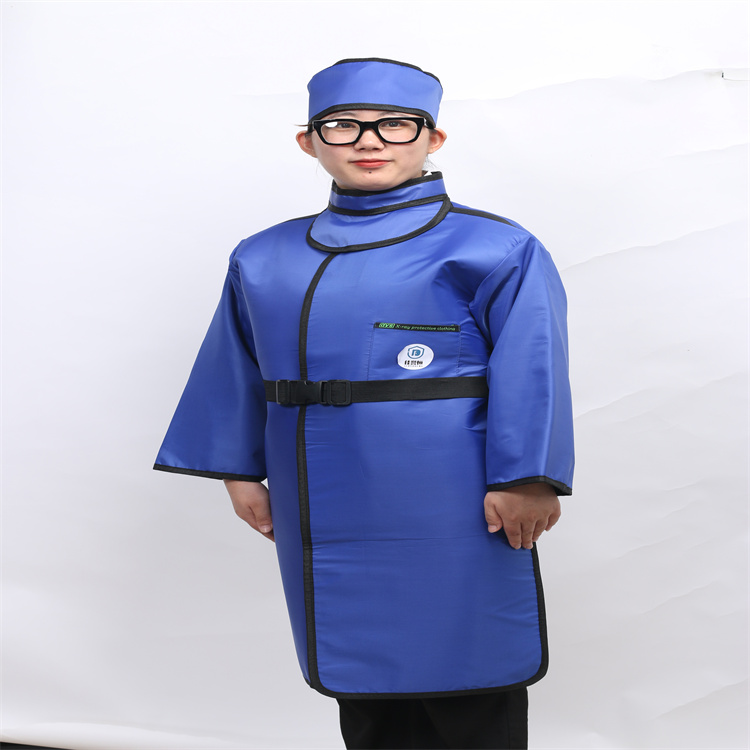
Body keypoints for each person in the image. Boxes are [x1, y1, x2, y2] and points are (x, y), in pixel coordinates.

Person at [155, 58, 574, 750]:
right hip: (323, 495)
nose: (369, 140)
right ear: (308, 142)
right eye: (343, 125)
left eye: (395, 124)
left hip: (454, 498)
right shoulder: (262, 256)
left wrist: (528, 477)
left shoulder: (496, 246)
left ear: (433, 138)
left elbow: (535, 366)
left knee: (468, 667)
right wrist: (238, 469)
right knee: (364, 675)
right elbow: (233, 363)